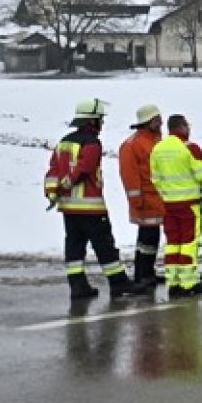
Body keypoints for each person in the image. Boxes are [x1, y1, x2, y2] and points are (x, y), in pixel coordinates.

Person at [44, 99, 143, 301]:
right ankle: (119, 283)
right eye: (100, 119)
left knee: (74, 246)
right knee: (104, 245)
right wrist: (68, 182)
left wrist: (53, 191)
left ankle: (78, 286)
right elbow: (85, 168)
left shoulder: (63, 142)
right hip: (90, 207)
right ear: (92, 121)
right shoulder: (91, 143)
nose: (102, 123)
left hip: (68, 208)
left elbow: (53, 169)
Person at [149, 113, 202, 298]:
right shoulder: (190, 148)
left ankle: (173, 281)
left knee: (172, 243)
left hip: (168, 204)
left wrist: (167, 193)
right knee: (188, 243)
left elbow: (155, 178)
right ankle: (189, 282)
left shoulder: (158, 148)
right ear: (182, 127)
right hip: (189, 204)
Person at [119, 104, 164, 288]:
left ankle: (146, 273)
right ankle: (143, 274)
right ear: (148, 121)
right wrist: (136, 200)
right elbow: (129, 174)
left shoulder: (156, 140)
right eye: (157, 119)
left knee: (151, 238)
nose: (161, 122)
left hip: (157, 198)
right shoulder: (132, 145)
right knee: (147, 238)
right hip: (145, 200)